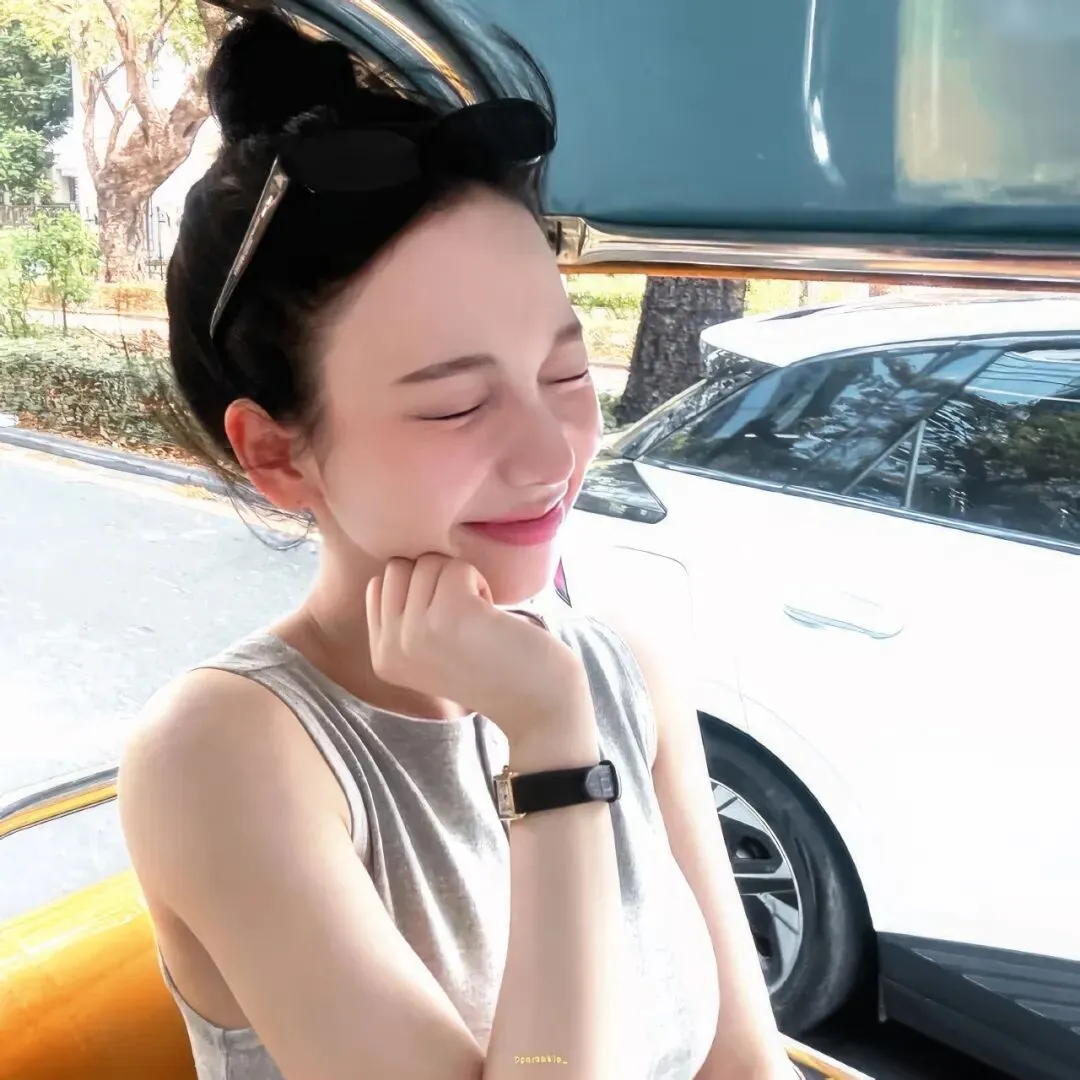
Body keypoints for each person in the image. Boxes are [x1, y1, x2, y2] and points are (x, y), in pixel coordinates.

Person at [118, 8, 796, 1080]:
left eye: (566, 373)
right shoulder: (222, 755)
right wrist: (552, 751)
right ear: (279, 454)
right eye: (455, 405)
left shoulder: (623, 661)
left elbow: (745, 1064)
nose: (551, 454)